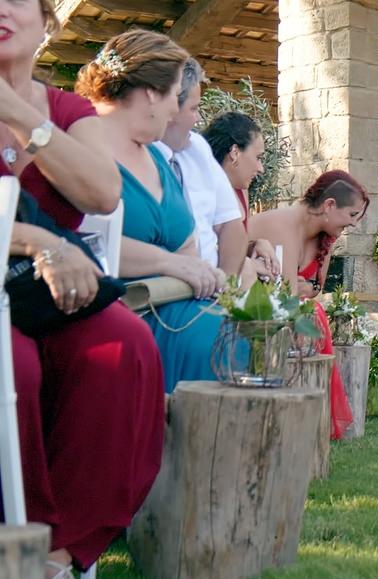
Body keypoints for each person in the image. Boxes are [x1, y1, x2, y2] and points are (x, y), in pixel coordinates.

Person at [1, 6, 165, 579]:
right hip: (25, 278)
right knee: (10, 363)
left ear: (46, 20)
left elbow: (102, 192)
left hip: (49, 298)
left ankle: (55, 558)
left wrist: (17, 110)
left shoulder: (68, 111)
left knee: (122, 343)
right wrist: (39, 240)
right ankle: (19, 541)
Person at [79, 29, 227, 392]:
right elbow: (85, 242)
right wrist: (168, 263)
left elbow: (187, 245)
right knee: (214, 337)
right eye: (175, 97)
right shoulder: (82, 143)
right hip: (116, 308)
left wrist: (201, 273)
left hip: (177, 304)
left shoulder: (157, 157)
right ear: (150, 94)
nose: (177, 110)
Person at [248, 170, 362, 439]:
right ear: (330, 205)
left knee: (314, 311)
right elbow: (285, 295)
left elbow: (313, 288)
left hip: (280, 307)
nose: (354, 224)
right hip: (243, 301)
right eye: (352, 215)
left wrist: (310, 289)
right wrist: (302, 294)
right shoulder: (284, 224)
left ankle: (310, 413)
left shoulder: (326, 238)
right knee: (313, 313)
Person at [155, 57, 249, 277]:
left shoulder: (197, 146)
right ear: (169, 109)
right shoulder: (139, 153)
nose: (198, 120)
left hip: (214, 287)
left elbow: (231, 227)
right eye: (194, 108)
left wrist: (225, 287)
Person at [202, 110, 277, 281]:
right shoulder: (201, 191)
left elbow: (231, 248)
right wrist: (247, 265)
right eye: (258, 158)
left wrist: (254, 246)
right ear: (235, 152)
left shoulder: (241, 190)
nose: (261, 168)